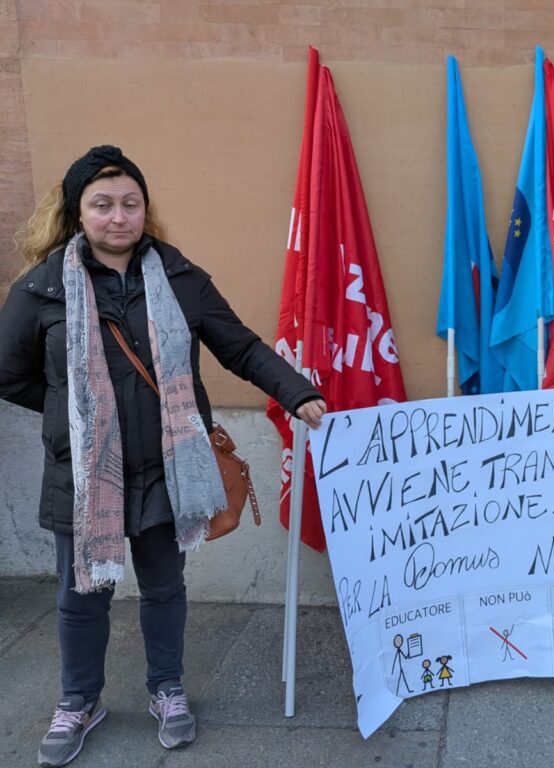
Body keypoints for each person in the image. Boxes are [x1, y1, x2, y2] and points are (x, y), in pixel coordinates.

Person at [0, 145, 327, 768]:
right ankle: (79, 701)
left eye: (130, 203)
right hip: (83, 473)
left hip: (165, 467)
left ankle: (167, 688)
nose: (118, 216)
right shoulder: (42, 289)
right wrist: (74, 413)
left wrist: (297, 391)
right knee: (81, 594)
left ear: (145, 210)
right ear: (76, 212)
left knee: (163, 586)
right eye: (102, 204)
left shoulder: (180, 279)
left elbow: (241, 348)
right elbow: (8, 373)